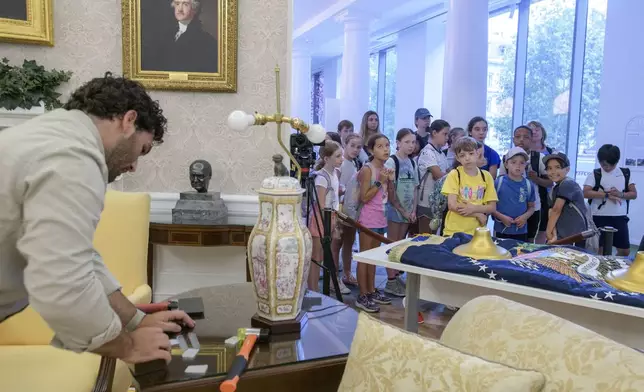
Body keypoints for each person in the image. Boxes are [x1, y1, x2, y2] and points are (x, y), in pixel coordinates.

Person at [0, 74, 194, 363]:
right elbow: (64, 280)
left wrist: (135, 320)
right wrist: (127, 346)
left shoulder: (50, 135)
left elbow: (78, 256)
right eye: (142, 150)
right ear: (129, 121)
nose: (133, 166)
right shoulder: (73, 157)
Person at [356, 134, 396, 313]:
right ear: (371, 150)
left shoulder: (387, 168)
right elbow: (364, 197)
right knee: (364, 257)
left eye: (387, 145)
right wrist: (380, 181)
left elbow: (390, 197)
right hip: (368, 219)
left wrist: (390, 181)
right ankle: (362, 294)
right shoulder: (367, 169)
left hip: (381, 217)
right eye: (380, 146)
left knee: (374, 257)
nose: (385, 149)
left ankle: (371, 291)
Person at [498, 126, 552, 242]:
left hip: (533, 207)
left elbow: (550, 182)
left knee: (529, 241)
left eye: (526, 137)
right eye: (518, 137)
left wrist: (536, 179)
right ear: (513, 140)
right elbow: (500, 181)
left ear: (532, 139)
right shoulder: (505, 158)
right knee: (504, 240)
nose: (521, 140)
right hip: (509, 208)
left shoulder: (539, 159)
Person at [583, 144, 637, 256]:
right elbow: (585, 193)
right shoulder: (595, 174)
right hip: (599, 216)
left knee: (624, 251)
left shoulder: (625, 173)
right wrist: (606, 195)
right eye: (604, 165)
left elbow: (633, 194)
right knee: (600, 250)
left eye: (610, 165)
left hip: (619, 216)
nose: (607, 168)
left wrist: (620, 194)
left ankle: (615, 271)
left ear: (616, 161)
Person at [383, 129, 419, 297]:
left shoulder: (412, 162)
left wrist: (413, 210)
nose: (411, 145)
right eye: (407, 142)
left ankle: (396, 276)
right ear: (398, 143)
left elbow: (415, 187)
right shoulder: (392, 162)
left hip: (408, 211)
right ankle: (390, 280)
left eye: (413, 142)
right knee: (392, 244)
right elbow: (390, 192)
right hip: (394, 211)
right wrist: (403, 210)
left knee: (401, 244)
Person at [308, 141, 346, 293]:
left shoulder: (335, 173)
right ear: (326, 158)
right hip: (321, 218)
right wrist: (334, 220)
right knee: (316, 258)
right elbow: (321, 205)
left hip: (331, 217)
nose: (341, 159)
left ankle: (321, 290)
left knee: (325, 256)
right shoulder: (321, 177)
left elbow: (334, 198)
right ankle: (313, 290)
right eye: (337, 156)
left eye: (341, 155)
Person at [441, 137, 498, 237]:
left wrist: (474, 208)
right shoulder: (455, 174)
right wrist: (477, 213)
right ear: (458, 158)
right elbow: (452, 205)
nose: (467, 158)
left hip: (477, 232)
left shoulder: (486, 176)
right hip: (454, 231)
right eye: (462, 155)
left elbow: (492, 207)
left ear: (477, 153)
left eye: (471, 153)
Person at [142, 0, 218, 73]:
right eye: (177, 4)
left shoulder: (206, 40)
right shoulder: (165, 34)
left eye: (185, 4)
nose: (180, 9)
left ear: (194, 9)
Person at [334, 134, 362, 288]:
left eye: (359, 147)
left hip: (352, 210)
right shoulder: (341, 164)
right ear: (345, 144)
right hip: (341, 209)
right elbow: (338, 188)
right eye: (352, 145)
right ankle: (334, 278)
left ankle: (346, 273)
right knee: (336, 243)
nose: (355, 150)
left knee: (349, 243)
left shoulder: (354, 163)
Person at [544, 153, 588, 247]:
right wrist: (552, 235)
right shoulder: (554, 189)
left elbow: (556, 209)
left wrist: (548, 231)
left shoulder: (568, 184)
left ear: (567, 169)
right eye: (549, 168)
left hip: (574, 235)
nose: (553, 171)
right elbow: (551, 212)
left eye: (558, 167)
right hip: (561, 236)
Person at [493, 147, 536, 242]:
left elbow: (532, 207)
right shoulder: (498, 183)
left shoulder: (529, 185)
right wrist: (501, 217)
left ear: (525, 165)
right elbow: (490, 207)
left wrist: (525, 217)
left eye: (522, 163)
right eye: (513, 162)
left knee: (519, 256)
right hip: (501, 230)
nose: (518, 166)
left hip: (521, 231)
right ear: (506, 165)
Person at [417, 120, 451, 234]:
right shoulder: (427, 152)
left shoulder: (441, 153)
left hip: (438, 202)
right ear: (435, 133)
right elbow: (439, 176)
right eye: (445, 134)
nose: (447, 138)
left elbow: (448, 172)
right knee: (425, 237)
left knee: (433, 238)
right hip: (426, 201)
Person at [528, 120, 555, 243]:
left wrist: (537, 179)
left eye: (537, 129)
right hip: (527, 195)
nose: (534, 132)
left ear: (542, 132)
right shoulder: (519, 153)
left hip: (546, 196)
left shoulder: (551, 152)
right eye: (531, 129)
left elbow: (553, 179)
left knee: (543, 228)